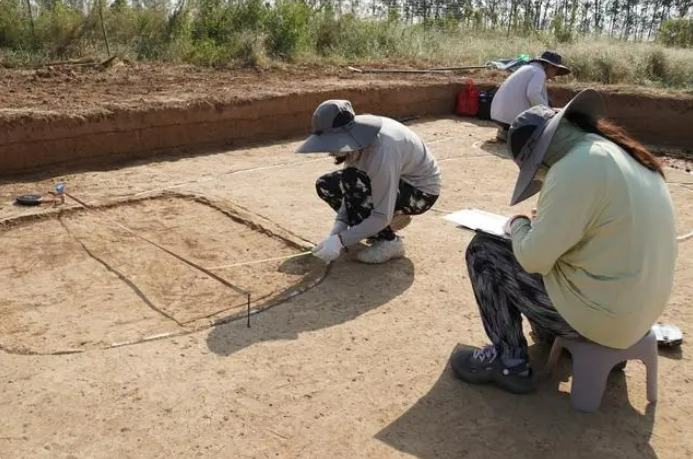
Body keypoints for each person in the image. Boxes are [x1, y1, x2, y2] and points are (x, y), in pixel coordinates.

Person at [451, 88, 677, 394]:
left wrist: (519, 224)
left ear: (540, 157)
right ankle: (561, 337)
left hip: (603, 318)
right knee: (555, 260)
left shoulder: (574, 166)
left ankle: (509, 360)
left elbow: (533, 259)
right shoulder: (621, 153)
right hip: (636, 316)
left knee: (484, 250)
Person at [297, 99, 441, 264]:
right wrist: (339, 228)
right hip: (393, 181)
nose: (329, 151)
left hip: (420, 192)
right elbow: (348, 191)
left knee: (358, 186)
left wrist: (339, 241)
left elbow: (378, 212)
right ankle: (382, 225)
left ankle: (390, 242)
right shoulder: (356, 140)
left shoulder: (381, 150)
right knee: (327, 185)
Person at [490, 50, 571, 142]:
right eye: (556, 70)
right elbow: (533, 94)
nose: (555, 74)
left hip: (499, 115)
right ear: (550, 66)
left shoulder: (527, 68)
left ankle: (506, 132)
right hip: (510, 119)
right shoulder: (539, 72)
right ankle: (513, 132)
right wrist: (548, 112)